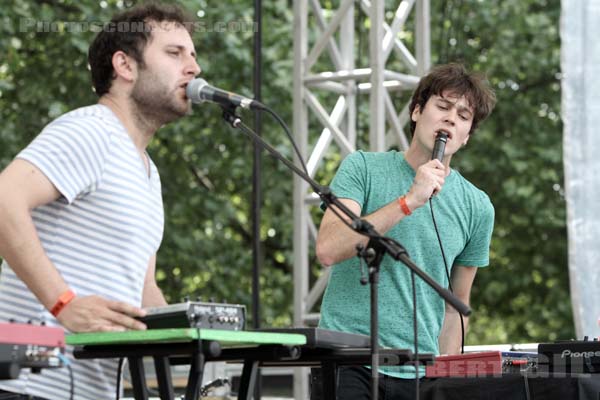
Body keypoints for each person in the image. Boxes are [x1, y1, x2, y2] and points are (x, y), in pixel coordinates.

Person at [0, 3, 201, 399]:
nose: (193, 68)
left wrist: (195, 330)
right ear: (125, 66)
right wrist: (64, 304)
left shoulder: (147, 172)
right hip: (24, 383)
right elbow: (4, 199)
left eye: (193, 56)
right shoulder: (92, 131)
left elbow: (142, 291)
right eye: (175, 53)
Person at [314, 63, 496, 399]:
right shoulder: (363, 167)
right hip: (346, 361)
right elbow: (329, 247)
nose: (450, 119)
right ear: (416, 111)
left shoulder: (477, 206)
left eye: (463, 115)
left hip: (420, 372)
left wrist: (449, 380)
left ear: (467, 135)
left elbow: (456, 306)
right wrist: (409, 200)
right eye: (442, 106)